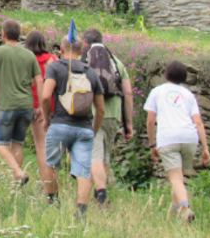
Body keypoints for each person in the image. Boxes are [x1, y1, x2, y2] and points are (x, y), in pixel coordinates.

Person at [41, 36, 105, 219]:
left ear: (61, 48)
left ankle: (52, 201)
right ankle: (81, 211)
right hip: (84, 127)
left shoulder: (55, 67)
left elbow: (46, 96)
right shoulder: (91, 73)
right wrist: (93, 130)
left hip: (60, 124)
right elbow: (100, 108)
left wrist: (47, 118)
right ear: (82, 50)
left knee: (52, 163)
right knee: (83, 169)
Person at [144, 61, 210, 222]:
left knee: (175, 179)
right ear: (184, 77)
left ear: (166, 74)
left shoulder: (157, 91)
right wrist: (205, 148)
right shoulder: (188, 95)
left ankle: (185, 208)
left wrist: (152, 144)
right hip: (189, 138)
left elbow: (150, 121)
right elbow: (198, 122)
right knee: (178, 179)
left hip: (168, 138)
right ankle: (174, 218)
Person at [0, 19, 42, 185]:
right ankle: (16, 183)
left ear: (3, 34)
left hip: (7, 104)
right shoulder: (29, 54)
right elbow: (39, 81)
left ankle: (18, 172)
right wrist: (41, 107)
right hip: (26, 105)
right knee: (17, 145)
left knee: (1, 145)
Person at [81, 28, 134, 206]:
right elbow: (127, 92)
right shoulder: (116, 62)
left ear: (85, 43)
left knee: (94, 155)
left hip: (93, 114)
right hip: (114, 114)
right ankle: (99, 196)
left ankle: (101, 195)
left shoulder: (85, 59)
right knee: (105, 157)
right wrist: (129, 124)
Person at [23, 30, 57, 185]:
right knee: (49, 144)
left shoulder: (25, 59)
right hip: (50, 105)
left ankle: (45, 181)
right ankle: (51, 178)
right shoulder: (52, 59)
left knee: (40, 145)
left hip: (32, 104)